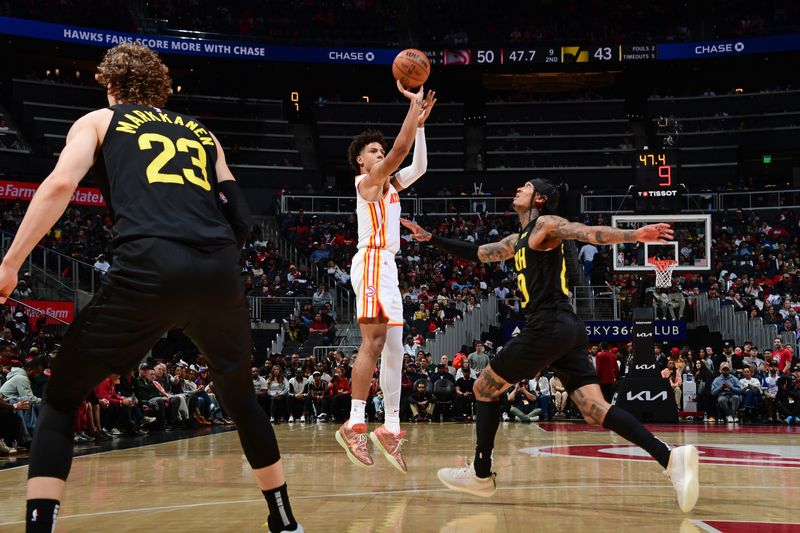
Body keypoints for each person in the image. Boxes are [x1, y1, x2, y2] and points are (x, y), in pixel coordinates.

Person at [0, 44, 300, 533]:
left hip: (148, 265)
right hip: (217, 269)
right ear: (161, 90)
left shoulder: (99, 120)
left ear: (111, 85)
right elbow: (241, 218)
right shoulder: (204, 134)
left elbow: (58, 186)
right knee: (241, 401)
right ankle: (285, 522)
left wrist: (11, 263)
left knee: (60, 397)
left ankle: (40, 526)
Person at [400, 178, 699, 512]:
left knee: (484, 387)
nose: (517, 189)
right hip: (566, 330)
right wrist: (431, 238)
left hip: (548, 325)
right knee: (594, 410)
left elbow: (582, 231)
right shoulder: (518, 239)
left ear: (539, 198)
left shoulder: (545, 224)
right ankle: (670, 458)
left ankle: (481, 474)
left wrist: (634, 235)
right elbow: (479, 253)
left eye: (525, 186)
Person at [336, 80, 436, 474]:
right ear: (362, 162)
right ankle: (355, 422)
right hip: (373, 262)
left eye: (378, 150)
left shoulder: (391, 184)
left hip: (389, 266)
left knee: (396, 349)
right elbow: (398, 152)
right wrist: (412, 106)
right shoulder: (368, 182)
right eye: (372, 151)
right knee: (373, 343)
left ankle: (391, 427)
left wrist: (422, 125)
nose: (379, 154)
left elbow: (419, 165)